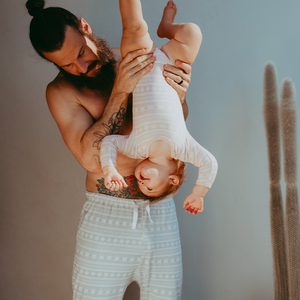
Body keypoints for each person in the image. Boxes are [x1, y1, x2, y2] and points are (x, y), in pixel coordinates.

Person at [26, 0, 194, 299]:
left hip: (160, 216)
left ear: (85, 27)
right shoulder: (62, 91)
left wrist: (179, 96)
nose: (81, 66)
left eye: (81, 52)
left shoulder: (132, 57)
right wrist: (121, 90)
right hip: (106, 221)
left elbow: (173, 127)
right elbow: (92, 160)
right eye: (67, 65)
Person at [100, 0, 218, 214]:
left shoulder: (136, 148)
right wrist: (198, 193)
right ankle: (167, 27)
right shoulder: (184, 148)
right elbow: (210, 163)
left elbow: (109, 142)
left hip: (141, 63)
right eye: (150, 188)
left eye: (139, 186)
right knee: (192, 32)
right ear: (172, 179)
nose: (141, 183)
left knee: (134, 25)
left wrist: (110, 169)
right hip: (172, 65)